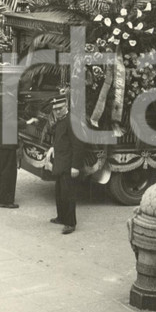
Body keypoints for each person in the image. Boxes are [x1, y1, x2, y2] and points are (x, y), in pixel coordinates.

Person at [50, 95, 96, 235]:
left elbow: (78, 145)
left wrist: (75, 166)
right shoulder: (60, 120)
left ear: (66, 107)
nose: (57, 112)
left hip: (69, 164)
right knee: (59, 192)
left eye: (60, 108)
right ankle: (61, 217)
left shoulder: (72, 121)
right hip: (60, 163)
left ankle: (70, 223)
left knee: (68, 194)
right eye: (55, 109)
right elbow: (60, 138)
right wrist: (53, 147)